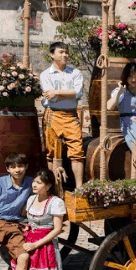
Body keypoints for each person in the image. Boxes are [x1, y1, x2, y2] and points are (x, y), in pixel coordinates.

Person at [40, 42, 84, 187]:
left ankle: (79, 188)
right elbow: (49, 96)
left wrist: (57, 92)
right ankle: (51, 187)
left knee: (77, 151)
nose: (65, 54)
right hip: (53, 115)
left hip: (71, 116)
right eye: (61, 52)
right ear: (52, 54)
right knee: (52, 153)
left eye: (66, 52)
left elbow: (78, 94)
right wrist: (68, 93)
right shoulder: (45, 74)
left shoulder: (75, 73)